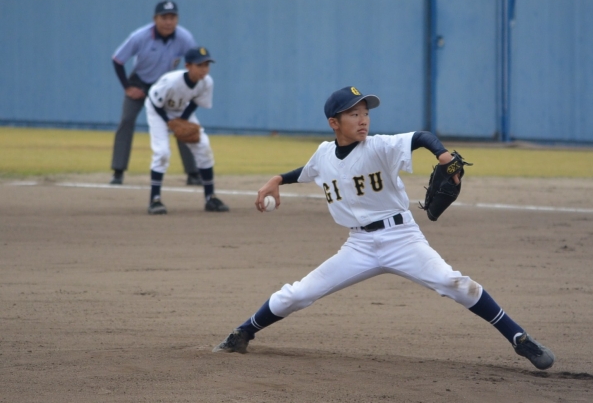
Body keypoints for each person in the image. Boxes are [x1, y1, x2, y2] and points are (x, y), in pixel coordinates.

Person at [212, 86, 555, 370]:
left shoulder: (379, 146)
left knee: (454, 283)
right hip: (358, 246)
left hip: (401, 238)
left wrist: (442, 155)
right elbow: (307, 171)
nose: (363, 119)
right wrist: (277, 179)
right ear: (334, 123)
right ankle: (242, 333)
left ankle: (519, 339)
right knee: (298, 294)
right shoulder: (323, 154)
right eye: (353, 114)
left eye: (365, 113)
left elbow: (421, 136)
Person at [110, 0, 202, 186]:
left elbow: (196, 62)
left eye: (172, 17)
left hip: (167, 87)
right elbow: (118, 60)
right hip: (140, 83)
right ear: (155, 19)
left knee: (182, 123)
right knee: (127, 120)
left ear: (177, 19)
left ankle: (193, 173)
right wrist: (127, 87)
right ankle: (118, 172)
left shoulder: (184, 37)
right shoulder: (140, 36)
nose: (168, 22)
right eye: (164, 17)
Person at [144, 46, 229, 215]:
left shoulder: (207, 82)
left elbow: (196, 101)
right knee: (162, 152)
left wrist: (182, 120)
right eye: (199, 65)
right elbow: (154, 102)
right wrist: (169, 122)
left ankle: (210, 198)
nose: (204, 69)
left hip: (181, 111)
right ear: (188, 66)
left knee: (203, 146)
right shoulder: (171, 81)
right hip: (159, 112)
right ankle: (155, 200)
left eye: (207, 65)